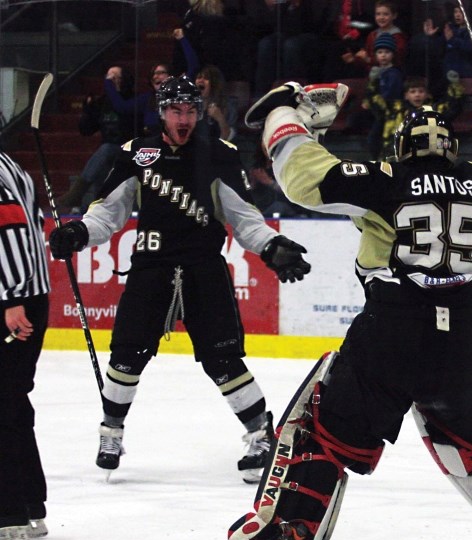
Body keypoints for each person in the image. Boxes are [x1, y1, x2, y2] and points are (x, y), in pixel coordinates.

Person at [226, 79, 472, 540]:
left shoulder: (383, 177)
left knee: (325, 431)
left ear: (400, 146)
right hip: (470, 334)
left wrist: (283, 113)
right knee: (471, 433)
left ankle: (287, 535)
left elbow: (303, 177)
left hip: (394, 326)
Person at [48, 76, 312, 484]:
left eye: (190, 110)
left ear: (200, 112)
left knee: (223, 359)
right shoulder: (137, 153)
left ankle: (261, 434)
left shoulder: (218, 154)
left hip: (203, 268)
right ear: (161, 112)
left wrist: (272, 247)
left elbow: (244, 219)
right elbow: (108, 213)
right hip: (151, 269)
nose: (183, 118)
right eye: (176, 111)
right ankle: (111, 433)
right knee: (126, 356)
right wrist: (79, 232)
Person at [0, 152, 51, 540]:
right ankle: (31, 506)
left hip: (13, 302)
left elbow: (13, 226)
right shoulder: (11, 164)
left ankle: (8, 513)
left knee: (4, 402)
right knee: (14, 401)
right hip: (27, 296)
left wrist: (11, 298)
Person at [58, 65, 136, 213]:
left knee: (107, 150)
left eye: (114, 77)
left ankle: (78, 193)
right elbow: (86, 130)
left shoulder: (130, 101)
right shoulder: (102, 102)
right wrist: (87, 110)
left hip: (129, 147)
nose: (110, 81)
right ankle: (95, 207)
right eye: (108, 77)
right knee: (103, 161)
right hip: (109, 151)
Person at [366, 74, 464, 160]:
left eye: (421, 91)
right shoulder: (395, 109)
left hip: (426, 156)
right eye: (413, 92)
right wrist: (373, 81)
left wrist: (454, 84)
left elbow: (454, 106)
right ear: (406, 95)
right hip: (394, 155)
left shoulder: (434, 111)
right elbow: (376, 102)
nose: (417, 95)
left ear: (427, 94)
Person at [195, 64, 238, 141]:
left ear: (215, 83)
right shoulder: (190, 105)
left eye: (206, 78)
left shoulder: (227, 105)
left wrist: (220, 118)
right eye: (199, 77)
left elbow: (228, 138)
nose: (201, 80)